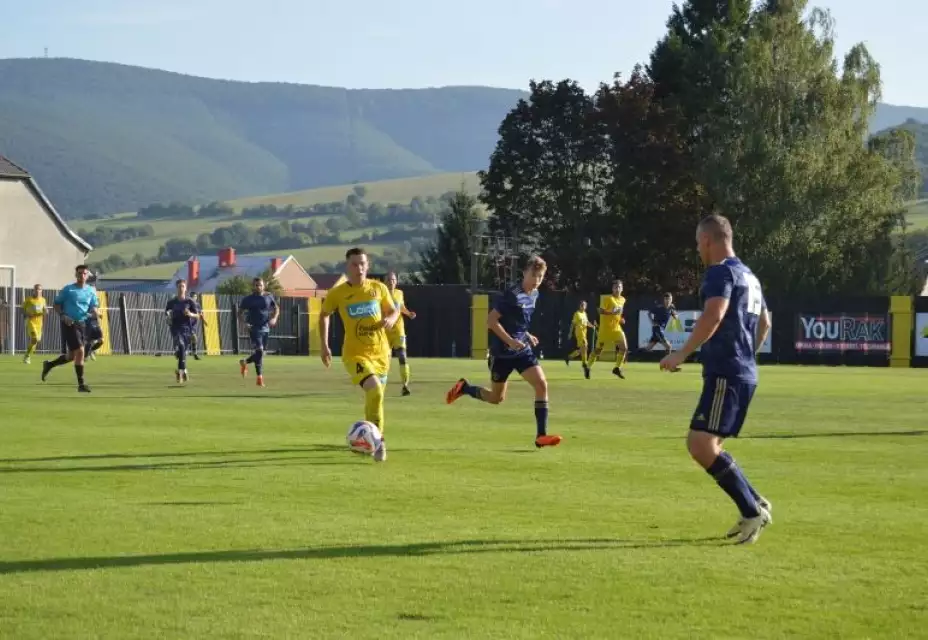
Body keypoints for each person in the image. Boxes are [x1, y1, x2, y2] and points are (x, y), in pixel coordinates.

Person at [660, 214, 773, 544]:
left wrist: (681, 353)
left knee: (700, 444)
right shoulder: (748, 275)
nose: (698, 250)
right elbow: (765, 321)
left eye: (698, 243)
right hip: (742, 371)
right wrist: (749, 354)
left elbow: (714, 314)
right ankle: (755, 502)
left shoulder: (720, 272)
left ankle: (751, 510)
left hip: (728, 371)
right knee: (711, 445)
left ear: (708, 240)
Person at [446, 256, 563, 449]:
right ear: (524, 273)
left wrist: (526, 335)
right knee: (496, 398)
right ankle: (465, 388)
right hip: (502, 354)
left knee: (541, 384)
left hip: (521, 351)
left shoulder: (534, 294)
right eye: (534, 275)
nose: (537, 280)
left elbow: (517, 321)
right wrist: (510, 341)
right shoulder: (512, 295)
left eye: (540, 276)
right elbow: (491, 321)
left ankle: (541, 436)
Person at [319, 247, 399, 462]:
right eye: (354, 264)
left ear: (368, 266)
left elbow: (393, 310)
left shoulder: (378, 288)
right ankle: (380, 443)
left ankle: (369, 439)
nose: (359, 268)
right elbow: (324, 315)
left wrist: (391, 319)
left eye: (362, 264)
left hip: (381, 354)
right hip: (355, 354)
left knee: (375, 399)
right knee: (375, 391)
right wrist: (324, 345)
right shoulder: (338, 293)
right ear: (348, 266)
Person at [41, 265, 99, 392]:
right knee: (81, 351)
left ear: (87, 275)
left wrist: (95, 313)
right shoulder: (69, 290)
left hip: (83, 324)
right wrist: (63, 315)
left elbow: (94, 307)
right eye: (79, 273)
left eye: (84, 273)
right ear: (75, 275)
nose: (81, 276)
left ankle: (49, 365)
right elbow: (56, 304)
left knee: (72, 356)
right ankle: (81, 384)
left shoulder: (90, 291)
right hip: (69, 324)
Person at [238, 278, 279, 387]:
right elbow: (239, 313)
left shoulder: (268, 296)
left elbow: (276, 308)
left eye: (260, 285)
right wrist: (244, 323)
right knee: (260, 351)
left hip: (265, 328)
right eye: (256, 285)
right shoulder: (248, 299)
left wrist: (274, 318)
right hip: (254, 328)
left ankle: (245, 362)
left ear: (263, 286)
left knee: (260, 354)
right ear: (253, 286)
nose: (258, 287)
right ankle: (259, 378)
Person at [385, 271, 417, 396]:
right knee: (384, 360)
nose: (391, 282)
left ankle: (405, 385)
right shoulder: (381, 293)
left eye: (393, 280)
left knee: (402, 357)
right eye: (388, 280)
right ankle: (379, 385)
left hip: (398, 330)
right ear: (384, 282)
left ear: (396, 281)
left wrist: (409, 313)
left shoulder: (399, 293)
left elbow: (401, 306)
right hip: (385, 330)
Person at [588, 279, 628, 379]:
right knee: (598, 350)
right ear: (612, 289)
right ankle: (588, 367)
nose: (617, 289)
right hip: (605, 329)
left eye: (619, 287)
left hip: (616, 328)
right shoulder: (608, 299)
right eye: (615, 287)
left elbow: (619, 313)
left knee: (624, 348)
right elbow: (600, 310)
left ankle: (617, 368)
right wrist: (611, 313)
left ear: (622, 288)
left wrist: (620, 319)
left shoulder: (623, 299)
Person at [165, 279, 200, 384]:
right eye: (179, 286)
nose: (181, 288)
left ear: (186, 288)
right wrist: (168, 316)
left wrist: (190, 314)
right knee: (180, 346)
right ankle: (181, 373)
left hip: (187, 329)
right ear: (177, 288)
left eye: (183, 286)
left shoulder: (189, 302)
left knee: (182, 351)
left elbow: (197, 315)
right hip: (175, 328)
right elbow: (167, 313)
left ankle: (182, 370)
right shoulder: (171, 302)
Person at [564, 299, 594, 379]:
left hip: (584, 333)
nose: (583, 306)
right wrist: (570, 333)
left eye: (584, 305)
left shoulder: (584, 314)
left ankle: (569, 357)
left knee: (583, 349)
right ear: (580, 306)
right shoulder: (577, 314)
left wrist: (592, 326)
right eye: (582, 305)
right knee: (585, 346)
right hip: (579, 334)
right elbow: (573, 324)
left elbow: (587, 323)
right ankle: (584, 364)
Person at [21, 284, 48, 364]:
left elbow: (45, 309)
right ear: (33, 290)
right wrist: (26, 314)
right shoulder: (29, 300)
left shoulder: (43, 300)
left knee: (35, 342)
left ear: (41, 291)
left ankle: (27, 355)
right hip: (31, 322)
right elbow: (21, 310)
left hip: (39, 324)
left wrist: (46, 311)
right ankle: (27, 356)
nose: (37, 291)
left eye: (39, 289)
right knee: (34, 338)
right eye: (36, 289)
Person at [188, 292, 207, 360]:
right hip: (187, 325)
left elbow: (200, 314)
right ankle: (194, 354)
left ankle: (192, 353)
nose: (194, 298)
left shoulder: (198, 305)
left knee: (193, 339)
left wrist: (204, 321)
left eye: (195, 296)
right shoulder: (188, 304)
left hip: (194, 325)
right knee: (194, 338)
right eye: (193, 296)